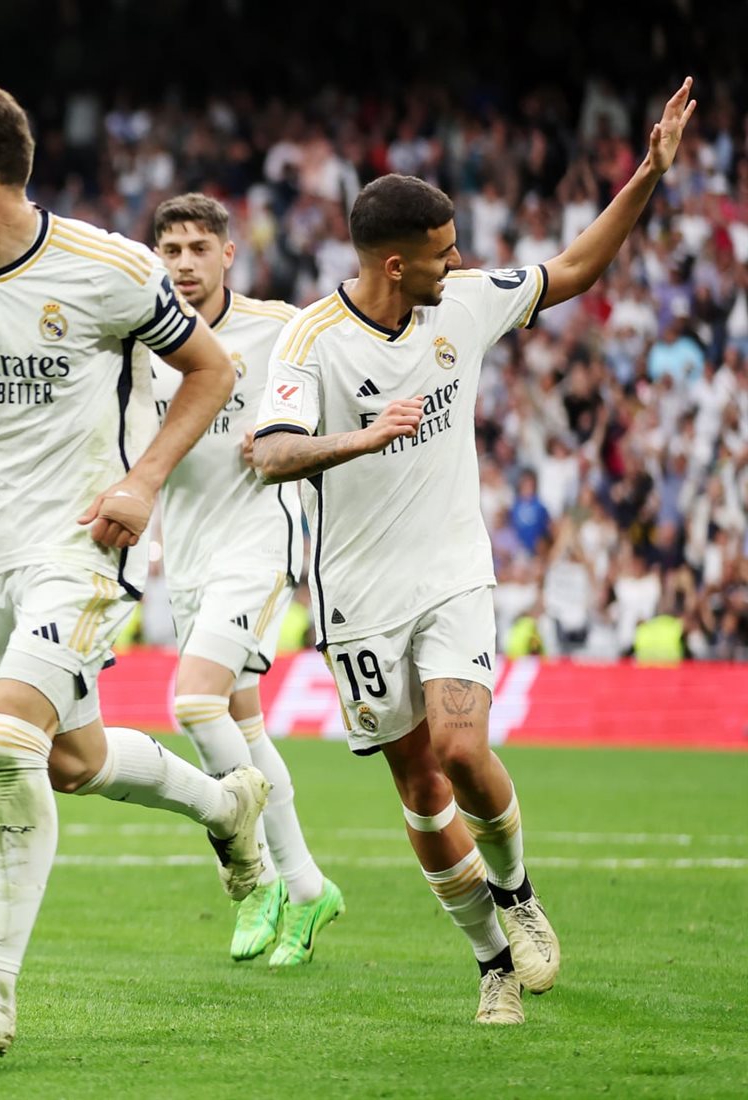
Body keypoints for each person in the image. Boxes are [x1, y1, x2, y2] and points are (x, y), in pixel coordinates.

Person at [252, 79, 696, 1024]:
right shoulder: (311, 340)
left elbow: (573, 269)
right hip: (358, 595)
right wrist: (361, 438)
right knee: (419, 786)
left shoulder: (463, 301)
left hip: (453, 569)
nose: (460, 262)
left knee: (461, 748)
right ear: (396, 264)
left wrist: (648, 176)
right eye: (444, 251)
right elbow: (270, 453)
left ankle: (518, 893)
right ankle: (494, 963)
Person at [0, 77, 269, 1055]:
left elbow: (214, 368)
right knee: (71, 760)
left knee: (7, 738)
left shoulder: (106, 268)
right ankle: (227, 804)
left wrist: (143, 482)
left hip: (87, 546)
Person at [147, 194, 342, 966]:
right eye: (171, 250)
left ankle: (252, 874)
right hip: (187, 553)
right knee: (242, 726)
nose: (185, 264)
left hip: (260, 541)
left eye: (199, 248)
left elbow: (332, 393)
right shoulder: (140, 338)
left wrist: (297, 431)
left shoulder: (281, 328)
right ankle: (307, 887)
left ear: (229, 254)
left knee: (194, 702)